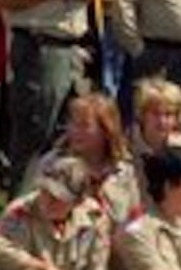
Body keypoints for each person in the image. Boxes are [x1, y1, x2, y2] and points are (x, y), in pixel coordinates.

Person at [0, 0, 94, 193]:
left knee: (68, 132)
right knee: (36, 129)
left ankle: (57, 195)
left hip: (71, 50)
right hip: (40, 49)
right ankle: (22, 196)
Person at [29, 93, 145, 229]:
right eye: (73, 123)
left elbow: (134, 219)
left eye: (84, 125)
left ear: (106, 130)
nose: (75, 131)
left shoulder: (123, 172)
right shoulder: (52, 163)